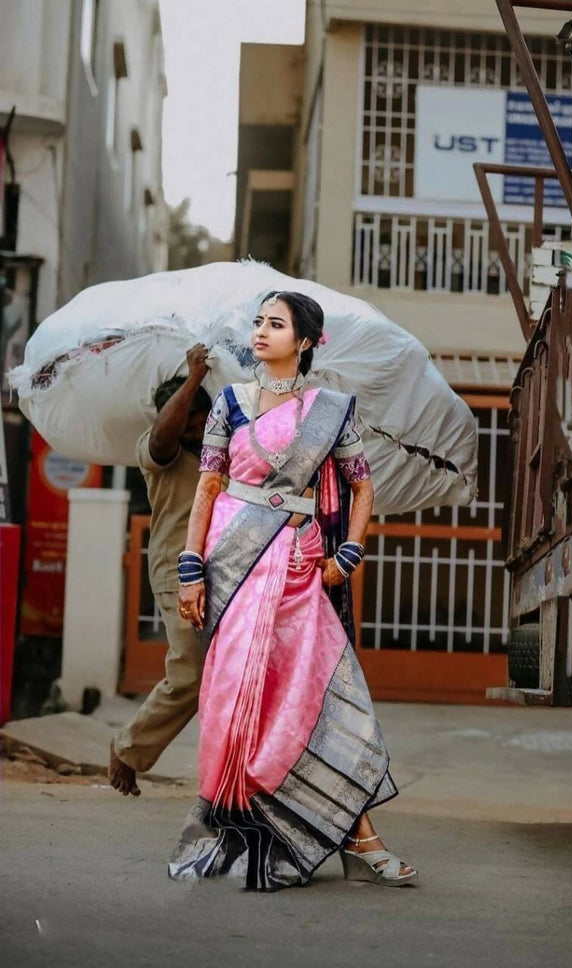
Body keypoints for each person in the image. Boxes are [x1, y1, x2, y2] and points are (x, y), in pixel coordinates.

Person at [170, 293, 418, 891]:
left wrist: (349, 554)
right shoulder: (227, 405)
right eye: (258, 322)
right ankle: (275, 835)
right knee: (241, 707)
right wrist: (191, 567)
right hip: (234, 566)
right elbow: (207, 487)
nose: (260, 331)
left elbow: (363, 490)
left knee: (327, 699)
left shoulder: (330, 410)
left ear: (305, 342)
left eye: (275, 324)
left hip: (301, 570)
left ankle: (361, 839)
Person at [109, 344, 211, 796]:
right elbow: (167, 435)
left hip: (226, 575)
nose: (193, 431)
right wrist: (193, 379)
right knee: (191, 674)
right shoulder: (158, 451)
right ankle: (129, 749)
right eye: (185, 422)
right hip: (178, 575)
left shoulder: (221, 452)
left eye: (199, 422)